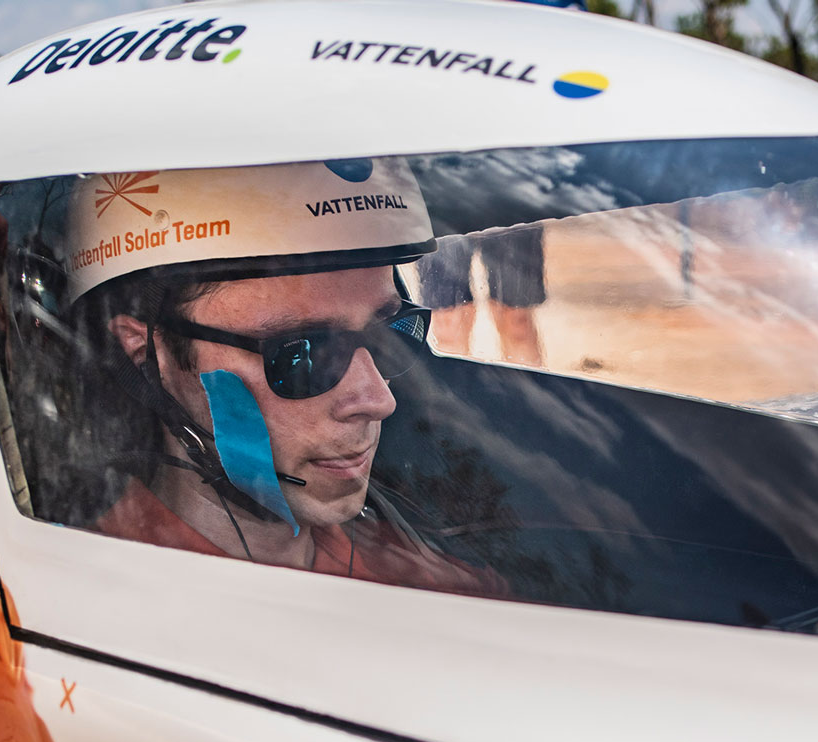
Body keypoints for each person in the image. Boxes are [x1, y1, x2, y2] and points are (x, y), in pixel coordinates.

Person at [64, 158, 499, 595]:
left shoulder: (448, 588)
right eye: (299, 353)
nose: (378, 400)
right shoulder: (77, 602)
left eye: (385, 335)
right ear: (145, 354)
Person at [419, 226, 548, 368]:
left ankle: (525, 386)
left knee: (518, 322)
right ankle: (452, 387)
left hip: (503, 210)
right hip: (443, 211)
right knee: (447, 322)